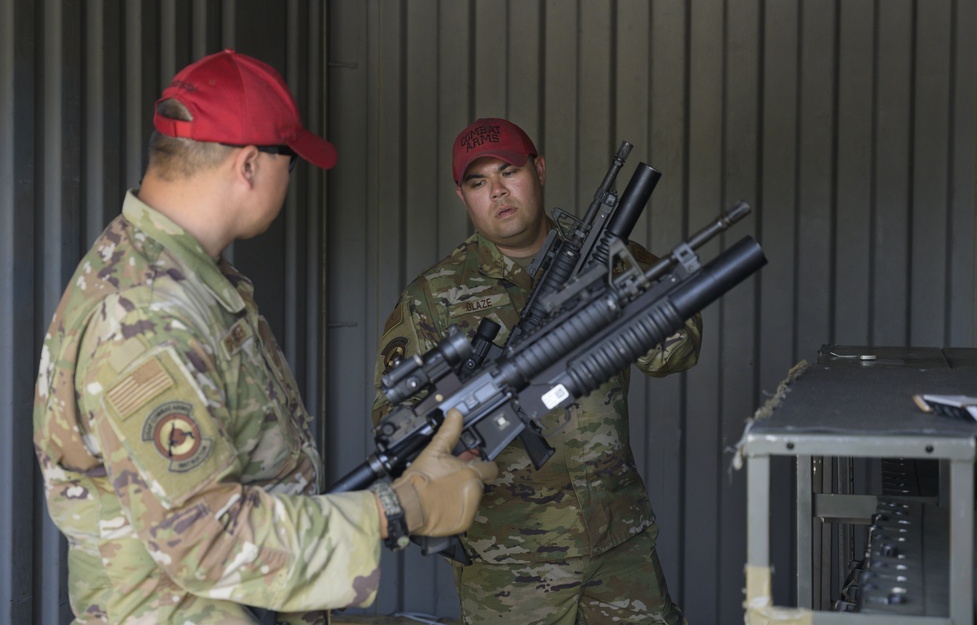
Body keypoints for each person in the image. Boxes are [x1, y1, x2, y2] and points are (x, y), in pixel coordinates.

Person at [32, 49, 497, 625]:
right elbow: (204, 538)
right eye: (291, 162)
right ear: (249, 165)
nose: (290, 179)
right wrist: (398, 509)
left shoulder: (189, 279)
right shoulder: (147, 314)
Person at [372, 117, 703, 625]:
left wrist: (613, 304)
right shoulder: (434, 298)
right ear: (461, 196)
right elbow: (396, 425)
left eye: (510, 171)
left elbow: (677, 352)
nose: (498, 192)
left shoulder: (606, 253)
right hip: (509, 564)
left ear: (540, 169)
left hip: (618, 544)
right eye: (478, 182)